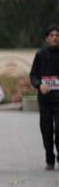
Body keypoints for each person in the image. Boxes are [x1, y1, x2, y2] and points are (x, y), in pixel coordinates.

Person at [30, 24, 59, 170]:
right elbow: (33, 75)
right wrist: (39, 85)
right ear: (47, 38)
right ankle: (49, 159)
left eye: (57, 35)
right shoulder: (40, 55)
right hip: (45, 101)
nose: (55, 38)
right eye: (52, 35)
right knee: (46, 131)